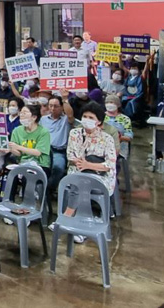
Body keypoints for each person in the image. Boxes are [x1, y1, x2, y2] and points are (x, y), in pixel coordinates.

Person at [50, 103, 117, 243]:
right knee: (80, 182)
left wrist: (88, 165)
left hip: (100, 178)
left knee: (82, 184)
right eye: (85, 116)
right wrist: (82, 164)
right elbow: (70, 155)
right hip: (77, 172)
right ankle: (80, 227)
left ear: (99, 121)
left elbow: (110, 165)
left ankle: (67, 217)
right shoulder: (75, 133)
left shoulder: (107, 138)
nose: (87, 119)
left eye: (91, 117)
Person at [40, 95, 74, 194]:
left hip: (58, 151)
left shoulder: (65, 120)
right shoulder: (43, 119)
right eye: (50, 106)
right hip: (44, 150)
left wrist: (65, 99)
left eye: (56, 106)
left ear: (62, 107)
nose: (52, 108)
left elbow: (70, 115)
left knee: (58, 168)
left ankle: (48, 190)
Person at [9, 104, 51, 172]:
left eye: (24, 113)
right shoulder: (16, 130)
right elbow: (18, 153)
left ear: (34, 117)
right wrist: (11, 148)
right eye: (21, 113)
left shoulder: (44, 132)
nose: (21, 115)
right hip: (23, 162)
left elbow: (38, 152)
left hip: (40, 164)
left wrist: (18, 147)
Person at [104, 95, 132, 159]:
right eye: (107, 102)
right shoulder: (101, 116)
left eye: (111, 102)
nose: (109, 104)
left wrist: (119, 137)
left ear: (118, 105)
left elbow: (129, 137)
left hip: (120, 151)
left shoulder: (125, 119)